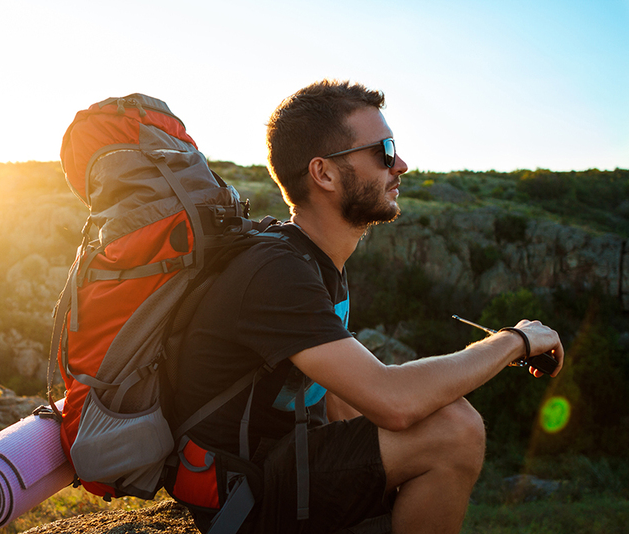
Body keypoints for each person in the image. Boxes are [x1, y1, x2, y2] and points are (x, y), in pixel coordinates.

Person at [170, 79, 564, 534]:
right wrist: (514, 341)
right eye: (384, 151)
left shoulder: (314, 260)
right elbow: (393, 402)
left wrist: (393, 468)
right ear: (325, 174)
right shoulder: (277, 271)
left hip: (281, 466)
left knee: (426, 428)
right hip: (243, 497)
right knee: (454, 429)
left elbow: (339, 402)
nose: (401, 165)